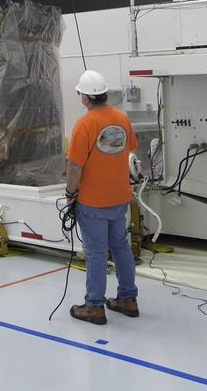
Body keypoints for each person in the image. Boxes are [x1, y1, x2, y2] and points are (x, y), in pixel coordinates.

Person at [66, 70, 139, 325]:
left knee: (96, 252)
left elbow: (74, 167)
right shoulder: (122, 118)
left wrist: (69, 193)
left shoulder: (84, 124)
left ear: (86, 97)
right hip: (119, 197)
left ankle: (94, 306)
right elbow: (129, 148)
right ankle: (128, 299)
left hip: (93, 201)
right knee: (120, 247)